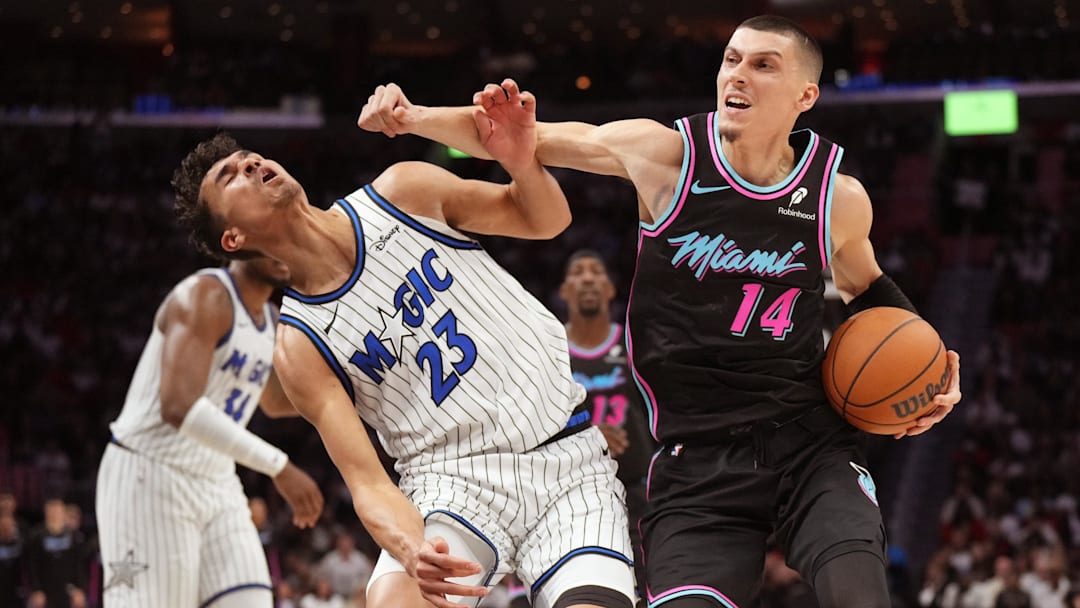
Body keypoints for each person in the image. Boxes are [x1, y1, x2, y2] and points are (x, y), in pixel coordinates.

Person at [356, 14, 963, 608]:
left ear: (805, 95)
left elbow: (868, 289)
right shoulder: (666, 157)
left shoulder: (836, 197)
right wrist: (413, 117)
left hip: (809, 444)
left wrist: (932, 373)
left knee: (857, 594)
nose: (737, 75)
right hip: (695, 459)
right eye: (731, 59)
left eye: (763, 65)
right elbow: (517, 136)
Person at [170, 79, 635, 608]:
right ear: (233, 238)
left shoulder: (400, 191)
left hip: (564, 453)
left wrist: (521, 163)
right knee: (396, 600)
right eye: (230, 176)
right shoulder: (298, 346)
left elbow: (547, 219)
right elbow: (367, 483)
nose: (250, 164)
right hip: (451, 484)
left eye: (249, 158)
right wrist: (413, 550)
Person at [95, 257, 324, 608]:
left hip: (216, 480)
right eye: (272, 238)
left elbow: (277, 401)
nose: (283, 251)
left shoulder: (270, 319)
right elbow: (179, 406)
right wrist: (278, 465)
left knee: (252, 600)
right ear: (236, 239)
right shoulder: (204, 295)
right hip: (150, 472)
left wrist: (355, 388)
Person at [559, 249, 656, 600]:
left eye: (596, 271)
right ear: (564, 291)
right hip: (572, 495)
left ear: (611, 289)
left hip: (639, 493)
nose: (587, 278)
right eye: (578, 272)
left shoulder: (636, 343)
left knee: (650, 591)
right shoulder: (551, 351)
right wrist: (588, 437)